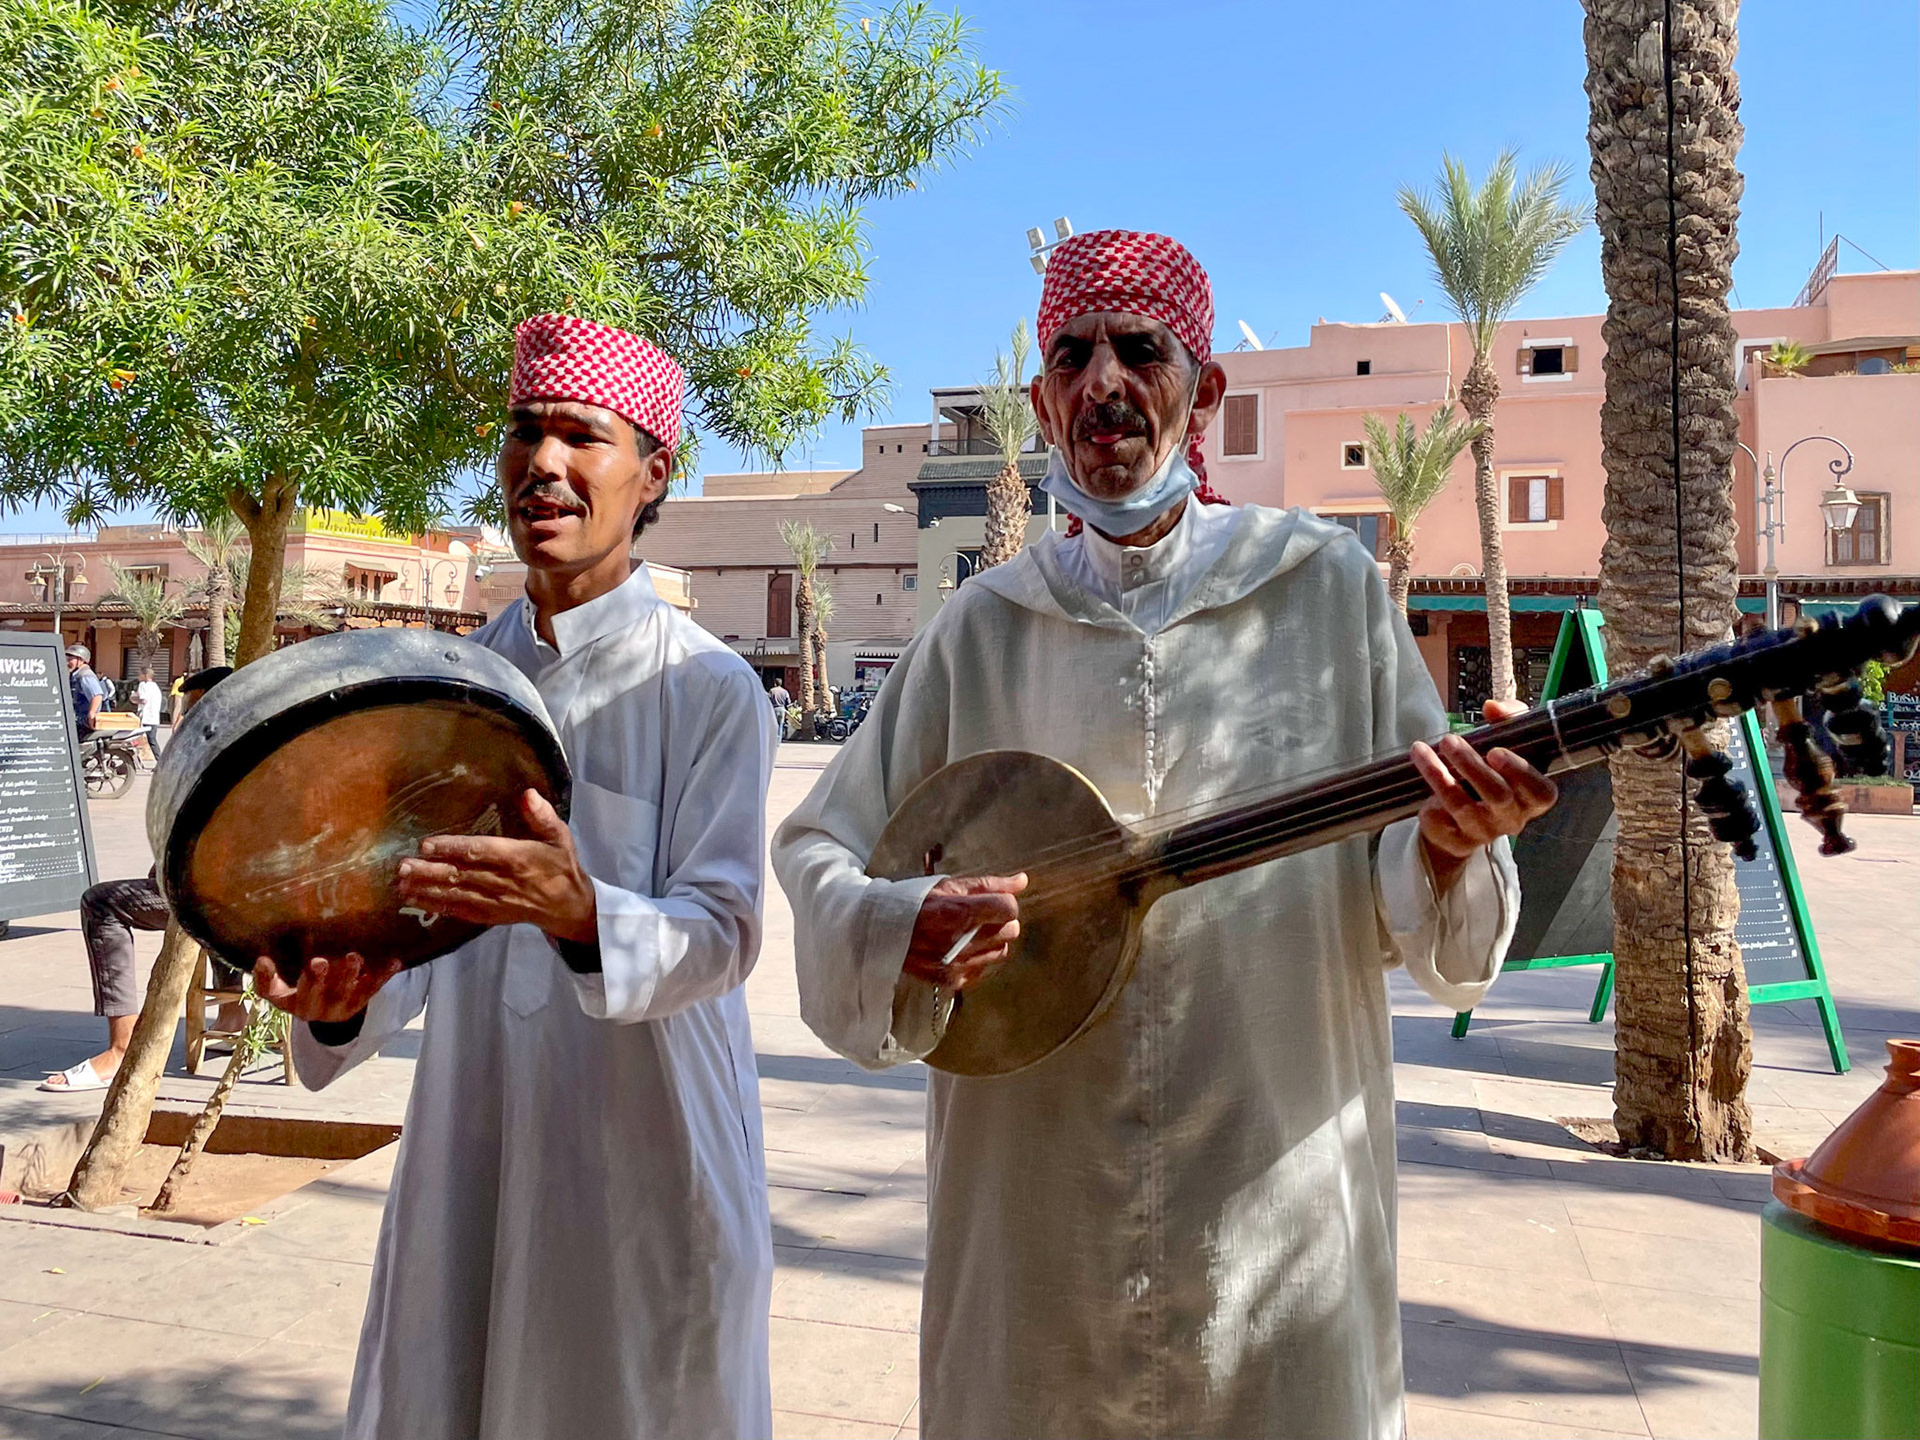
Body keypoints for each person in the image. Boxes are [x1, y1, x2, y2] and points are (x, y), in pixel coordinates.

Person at [773, 230, 1559, 1439]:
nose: (1105, 384)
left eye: (1140, 350)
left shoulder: (1327, 594)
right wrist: (895, 925)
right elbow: (825, 851)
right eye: (1072, 356)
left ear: (1205, 391)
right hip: (1036, 1211)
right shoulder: (981, 630)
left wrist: (1452, 844)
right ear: (1041, 401)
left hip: (1275, 1200)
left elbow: (1423, 895)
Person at [254, 314, 778, 1440]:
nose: (542, 464)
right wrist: (346, 1007)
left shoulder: (710, 688)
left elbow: (726, 931)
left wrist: (588, 915)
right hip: (474, 1153)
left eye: (582, 436)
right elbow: (406, 930)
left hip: (649, 1162)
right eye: (524, 434)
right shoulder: (444, 687)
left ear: (652, 474)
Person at [41, 667, 243, 1093]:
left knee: (101, 902)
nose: (187, 716)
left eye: (193, 707)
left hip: (213, 894)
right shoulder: (261, 744)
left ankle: (120, 1048)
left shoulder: (211, 753)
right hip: (258, 896)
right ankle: (231, 1014)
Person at [65, 644, 105, 739]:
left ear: (81, 660)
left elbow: (97, 695)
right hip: (77, 719)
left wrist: (91, 714)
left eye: (70, 659)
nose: (67, 662)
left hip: (83, 722)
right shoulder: (75, 675)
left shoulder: (85, 676)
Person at [134, 666, 163, 761]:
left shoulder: (143, 685)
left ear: (145, 676)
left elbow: (143, 700)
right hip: (154, 717)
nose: (138, 676)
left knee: (134, 738)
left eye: (140, 674)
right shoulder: (156, 687)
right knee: (152, 740)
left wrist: (133, 698)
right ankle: (160, 761)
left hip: (145, 717)